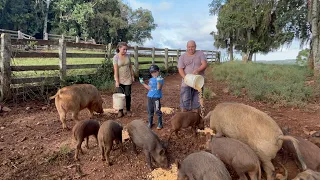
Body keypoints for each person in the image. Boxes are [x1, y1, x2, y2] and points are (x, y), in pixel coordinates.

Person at [177, 40, 208, 113]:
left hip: (198, 81)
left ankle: (195, 116)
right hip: (187, 82)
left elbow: (204, 64)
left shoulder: (200, 54)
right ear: (187, 47)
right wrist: (185, 78)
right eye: (189, 47)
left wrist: (198, 70)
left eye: (192, 47)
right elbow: (180, 69)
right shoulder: (182, 57)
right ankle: (185, 116)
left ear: (195, 47)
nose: (191, 48)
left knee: (197, 100)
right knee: (185, 100)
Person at [113, 42, 135, 118]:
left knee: (128, 95)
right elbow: (115, 70)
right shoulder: (116, 57)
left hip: (128, 78)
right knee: (120, 96)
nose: (125, 51)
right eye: (124, 49)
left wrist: (132, 75)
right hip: (119, 78)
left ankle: (128, 110)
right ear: (119, 48)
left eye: (126, 49)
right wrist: (117, 81)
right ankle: (120, 111)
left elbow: (130, 67)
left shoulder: (128, 56)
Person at [139, 65, 164, 129]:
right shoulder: (151, 79)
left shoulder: (161, 79)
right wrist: (142, 83)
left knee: (157, 110)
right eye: (152, 72)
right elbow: (149, 88)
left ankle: (160, 124)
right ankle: (150, 123)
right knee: (150, 110)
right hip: (149, 97)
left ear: (158, 71)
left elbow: (158, 88)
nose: (154, 74)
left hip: (156, 97)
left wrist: (158, 81)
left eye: (155, 72)